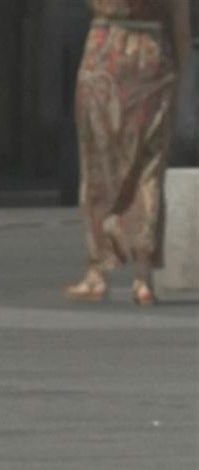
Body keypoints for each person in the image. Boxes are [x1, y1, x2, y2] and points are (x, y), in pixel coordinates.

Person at [68, 0, 191, 305]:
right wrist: (176, 69)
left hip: (103, 53)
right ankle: (143, 278)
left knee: (97, 165)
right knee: (148, 168)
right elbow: (181, 27)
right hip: (151, 59)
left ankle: (96, 272)